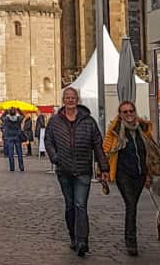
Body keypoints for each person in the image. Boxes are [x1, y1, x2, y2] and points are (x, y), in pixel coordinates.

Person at [45, 87, 110, 258]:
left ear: (77, 100)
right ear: (63, 100)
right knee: (70, 206)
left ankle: (82, 241)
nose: (70, 100)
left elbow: (98, 144)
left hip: (83, 170)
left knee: (80, 205)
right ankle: (73, 236)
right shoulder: (54, 121)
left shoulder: (88, 121)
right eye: (67, 97)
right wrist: (55, 157)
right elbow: (48, 140)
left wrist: (104, 167)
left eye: (73, 97)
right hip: (64, 169)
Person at [103, 101, 159, 257]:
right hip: (123, 174)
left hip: (140, 174)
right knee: (131, 204)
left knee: (133, 204)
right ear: (120, 114)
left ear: (135, 112)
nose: (128, 114)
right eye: (125, 112)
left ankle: (131, 238)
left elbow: (148, 152)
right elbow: (106, 149)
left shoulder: (143, 128)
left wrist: (148, 174)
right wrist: (103, 171)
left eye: (131, 111)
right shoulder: (115, 130)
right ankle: (131, 241)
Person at [1, 108, 26, 172]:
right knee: (19, 153)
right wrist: (19, 110)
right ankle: (21, 167)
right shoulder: (18, 119)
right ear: (15, 113)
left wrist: (6, 111)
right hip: (17, 136)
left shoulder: (6, 119)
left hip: (9, 137)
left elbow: (1, 117)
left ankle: (12, 167)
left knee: (11, 153)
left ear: (9, 113)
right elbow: (23, 116)